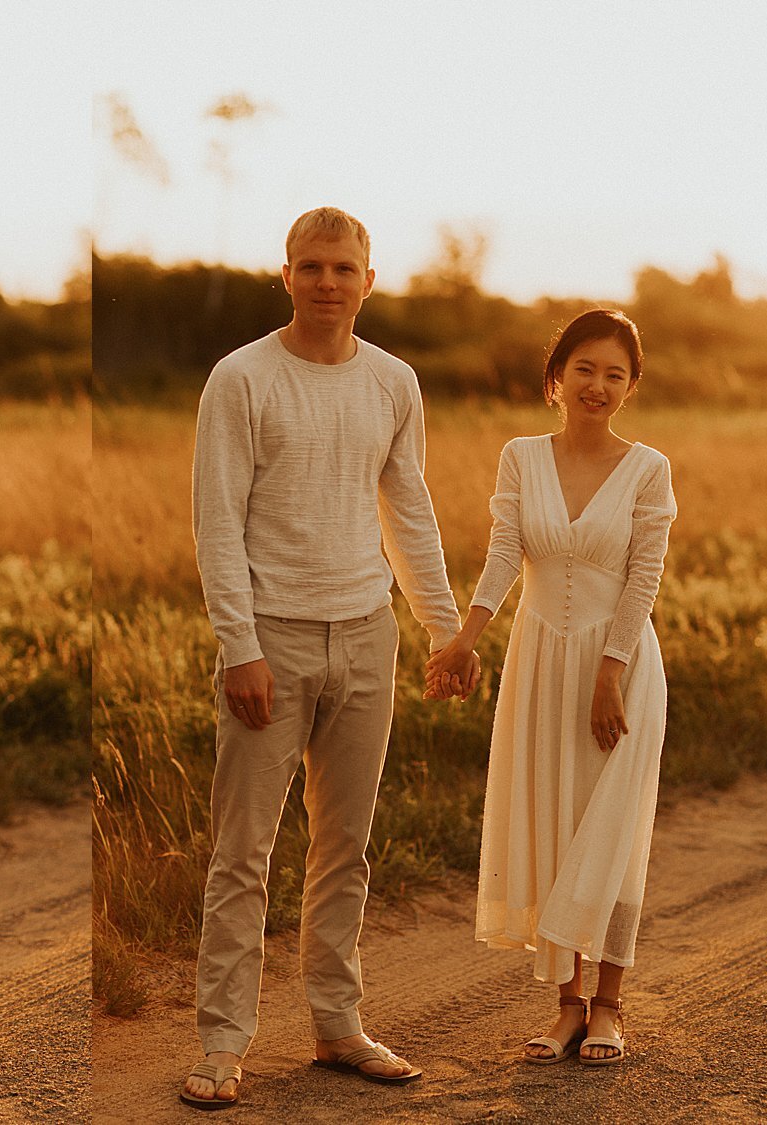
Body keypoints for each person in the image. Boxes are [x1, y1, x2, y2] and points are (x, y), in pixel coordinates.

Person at [181, 207, 478, 1110]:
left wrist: (442, 624)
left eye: (343, 268)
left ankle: (337, 1025)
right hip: (269, 639)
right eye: (309, 266)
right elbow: (217, 523)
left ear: (368, 281)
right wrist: (240, 645)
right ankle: (222, 1045)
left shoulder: (394, 381)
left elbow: (408, 507)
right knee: (243, 851)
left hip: (365, 631)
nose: (326, 282)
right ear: (286, 276)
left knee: (344, 846)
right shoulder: (241, 378)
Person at [428, 309, 677, 1067]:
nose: (597, 385)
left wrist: (613, 670)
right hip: (538, 663)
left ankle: (610, 1005)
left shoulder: (648, 468)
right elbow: (504, 551)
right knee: (552, 822)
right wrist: (464, 638)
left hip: (619, 666)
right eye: (584, 369)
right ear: (556, 378)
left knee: (610, 831)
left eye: (614, 373)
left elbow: (643, 577)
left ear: (631, 385)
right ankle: (567, 1005)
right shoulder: (521, 456)